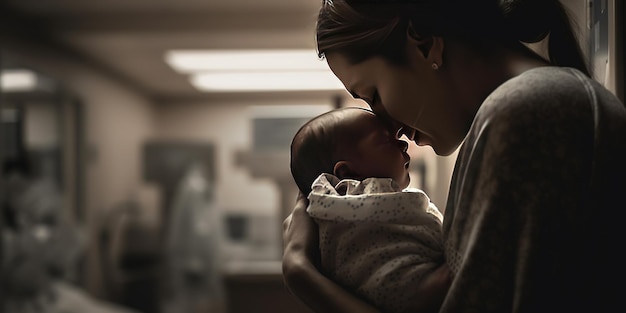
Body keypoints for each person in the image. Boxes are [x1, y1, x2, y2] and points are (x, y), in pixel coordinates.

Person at [282, 0, 626, 312]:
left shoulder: (527, 112)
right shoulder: (519, 113)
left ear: (425, 44)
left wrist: (303, 275)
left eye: (375, 95)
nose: (387, 125)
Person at [290, 106, 447, 313]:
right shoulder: (351, 199)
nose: (402, 143)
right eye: (385, 139)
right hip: (405, 287)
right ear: (348, 173)